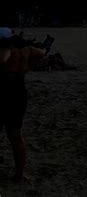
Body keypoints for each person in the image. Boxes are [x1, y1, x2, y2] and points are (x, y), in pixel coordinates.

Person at [0, 35, 45, 182]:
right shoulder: (25, 52)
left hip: (9, 95)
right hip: (17, 95)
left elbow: (3, 59)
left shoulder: (8, 52)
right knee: (16, 137)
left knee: (15, 137)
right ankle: (19, 174)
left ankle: (19, 174)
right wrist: (28, 65)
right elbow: (41, 54)